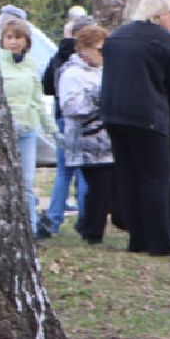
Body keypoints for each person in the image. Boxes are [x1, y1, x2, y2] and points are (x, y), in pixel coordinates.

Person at [100, 0, 170, 256]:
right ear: (161, 15)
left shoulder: (116, 37)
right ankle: (160, 242)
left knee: (128, 176)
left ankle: (137, 238)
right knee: (155, 178)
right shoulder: (164, 41)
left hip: (115, 115)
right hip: (148, 116)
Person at [56, 24, 115, 243]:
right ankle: (91, 231)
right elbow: (71, 107)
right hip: (85, 140)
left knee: (105, 187)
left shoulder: (101, 71)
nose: (102, 55)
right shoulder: (72, 73)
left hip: (104, 140)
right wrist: (99, 96)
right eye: (99, 50)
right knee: (98, 187)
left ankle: (88, 225)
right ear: (83, 48)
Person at [0, 20, 56, 236]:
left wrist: (51, 129)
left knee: (26, 183)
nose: (14, 42)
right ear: (3, 41)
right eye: (9, 38)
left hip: (28, 129)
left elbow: (37, 100)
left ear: (26, 41)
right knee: (3, 182)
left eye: (18, 38)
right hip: (4, 130)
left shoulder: (31, 65)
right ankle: (4, 229)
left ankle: (30, 231)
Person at [40, 11, 91, 235]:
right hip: (80, 120)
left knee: (63, 172)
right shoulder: (82, 60)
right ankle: (86, 219)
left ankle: (54, 218)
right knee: (84, 172)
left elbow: (47, 86)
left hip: (61, 116)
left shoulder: (57, 57)